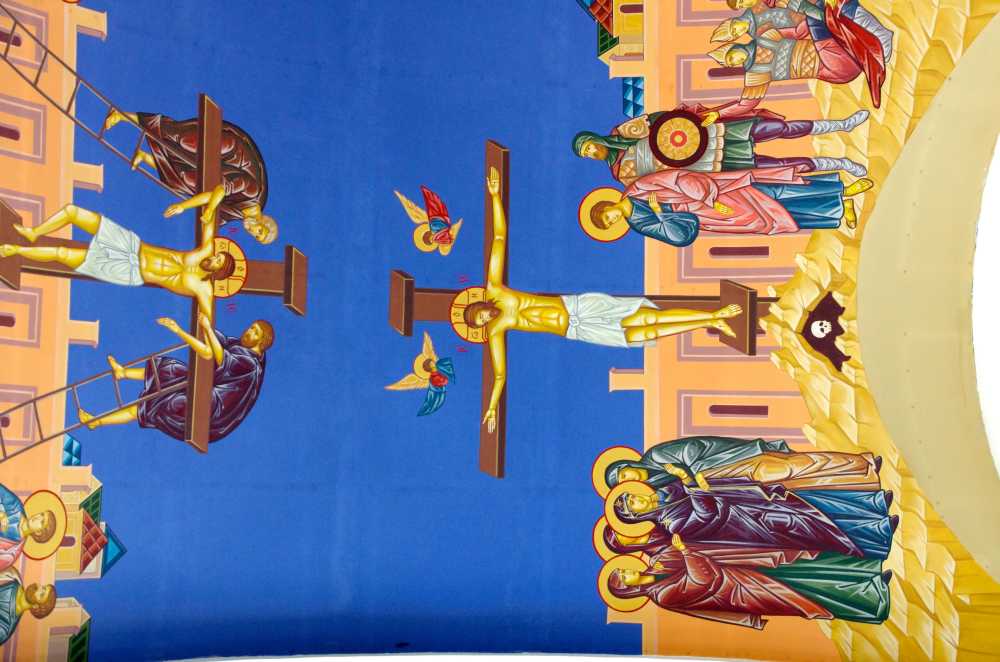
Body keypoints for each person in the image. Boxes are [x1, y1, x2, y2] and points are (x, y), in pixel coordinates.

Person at [471, 168, 743, 433]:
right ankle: (709, 322)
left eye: (481, 314)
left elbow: (499, 238)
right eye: (482, 322)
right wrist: (492, 407)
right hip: (577, 330)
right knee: (646, 334)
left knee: (648, 317)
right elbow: (500, 374)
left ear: (480, 305)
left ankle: (713, 314)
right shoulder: (496, 330)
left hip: (578, 307)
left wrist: (495, 197)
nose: (486, 318)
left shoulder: (496, 290)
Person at [1, 185, 234, 320]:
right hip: (132, 245)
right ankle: (34, 232)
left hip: (128, 271)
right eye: (217, 255)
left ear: (217, 273)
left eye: (217, 263)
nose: (213, 258)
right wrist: (192, 207)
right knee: (72, 211)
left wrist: (203, 326)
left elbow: (208, 324)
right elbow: (219, 191)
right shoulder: (204, 251)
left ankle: (17, 250)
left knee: (62, 254)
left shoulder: (203, 290)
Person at [603, 535, 891, 628]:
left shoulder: (658, 564)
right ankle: (872, 596)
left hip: (742, 564)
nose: (628, 571)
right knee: (807, 594)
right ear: (630, 589)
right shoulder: (662, 595)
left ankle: (869, 570)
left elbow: (677, 548)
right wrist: (686, 551)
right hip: (740, 589)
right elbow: (703, 581)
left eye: (623, 569)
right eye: (624, 577)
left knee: (806, 564)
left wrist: (679, 549)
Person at [78, 313, 272, 443]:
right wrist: (203, 323)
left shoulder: (251, 364)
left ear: (262, 342)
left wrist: (188, 330)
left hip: (212, 413)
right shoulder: (242, 346)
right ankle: (123, 373)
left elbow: (219, 355)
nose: (248, 331)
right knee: (170, 369)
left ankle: (97, 421)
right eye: (251, 327)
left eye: (255, 331)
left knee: (159, 403)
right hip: (208, 392)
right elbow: (220, 341)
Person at [103, 108, 276, 244]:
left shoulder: (238, 214)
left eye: (256, 237)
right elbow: (220, 191)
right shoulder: (253, 192)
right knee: (183, 140)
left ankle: (145, 157)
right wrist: (206, 210)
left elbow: (210, 200)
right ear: (264, 221)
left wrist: (184, 207)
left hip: (219, 169)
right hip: (229, 149)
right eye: (260, 231)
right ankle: (122, 115)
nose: (253, 232)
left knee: (184, 181)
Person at [573, 108, 869, 186]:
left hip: (708, 135)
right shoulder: (621, 174)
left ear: (595, 139)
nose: (592, 153)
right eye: (587, 155)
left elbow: (661, 120)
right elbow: (659, 185)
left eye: (589, 146)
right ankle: (840, 164)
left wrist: (695, 119)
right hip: (709, 166)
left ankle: (841, 124)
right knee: (781, 168)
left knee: (780, 129)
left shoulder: (622, 132)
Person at [598, 436, 883, 493]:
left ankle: (861, 463)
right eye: (624, 484)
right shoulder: (654, 487)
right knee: (795, 483)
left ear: (627, 464)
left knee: (792, 466)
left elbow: (693, 449)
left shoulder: (655, 457)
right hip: (724, 484)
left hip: (728, 461)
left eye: (624, 474)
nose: (630, 479)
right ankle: (860, 480)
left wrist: (691, 474)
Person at [0, 487, 59, 572]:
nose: (37, 517)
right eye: (41, 514)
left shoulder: (12, 551)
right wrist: (1, 513)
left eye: (42, 522)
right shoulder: (15, 507)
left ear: (38, 532)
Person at [0, 568, 56, 645]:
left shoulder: (5, 628)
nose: (38, 588)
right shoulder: (12, 575)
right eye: (43, 587)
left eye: (41, 594)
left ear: (36, 607)